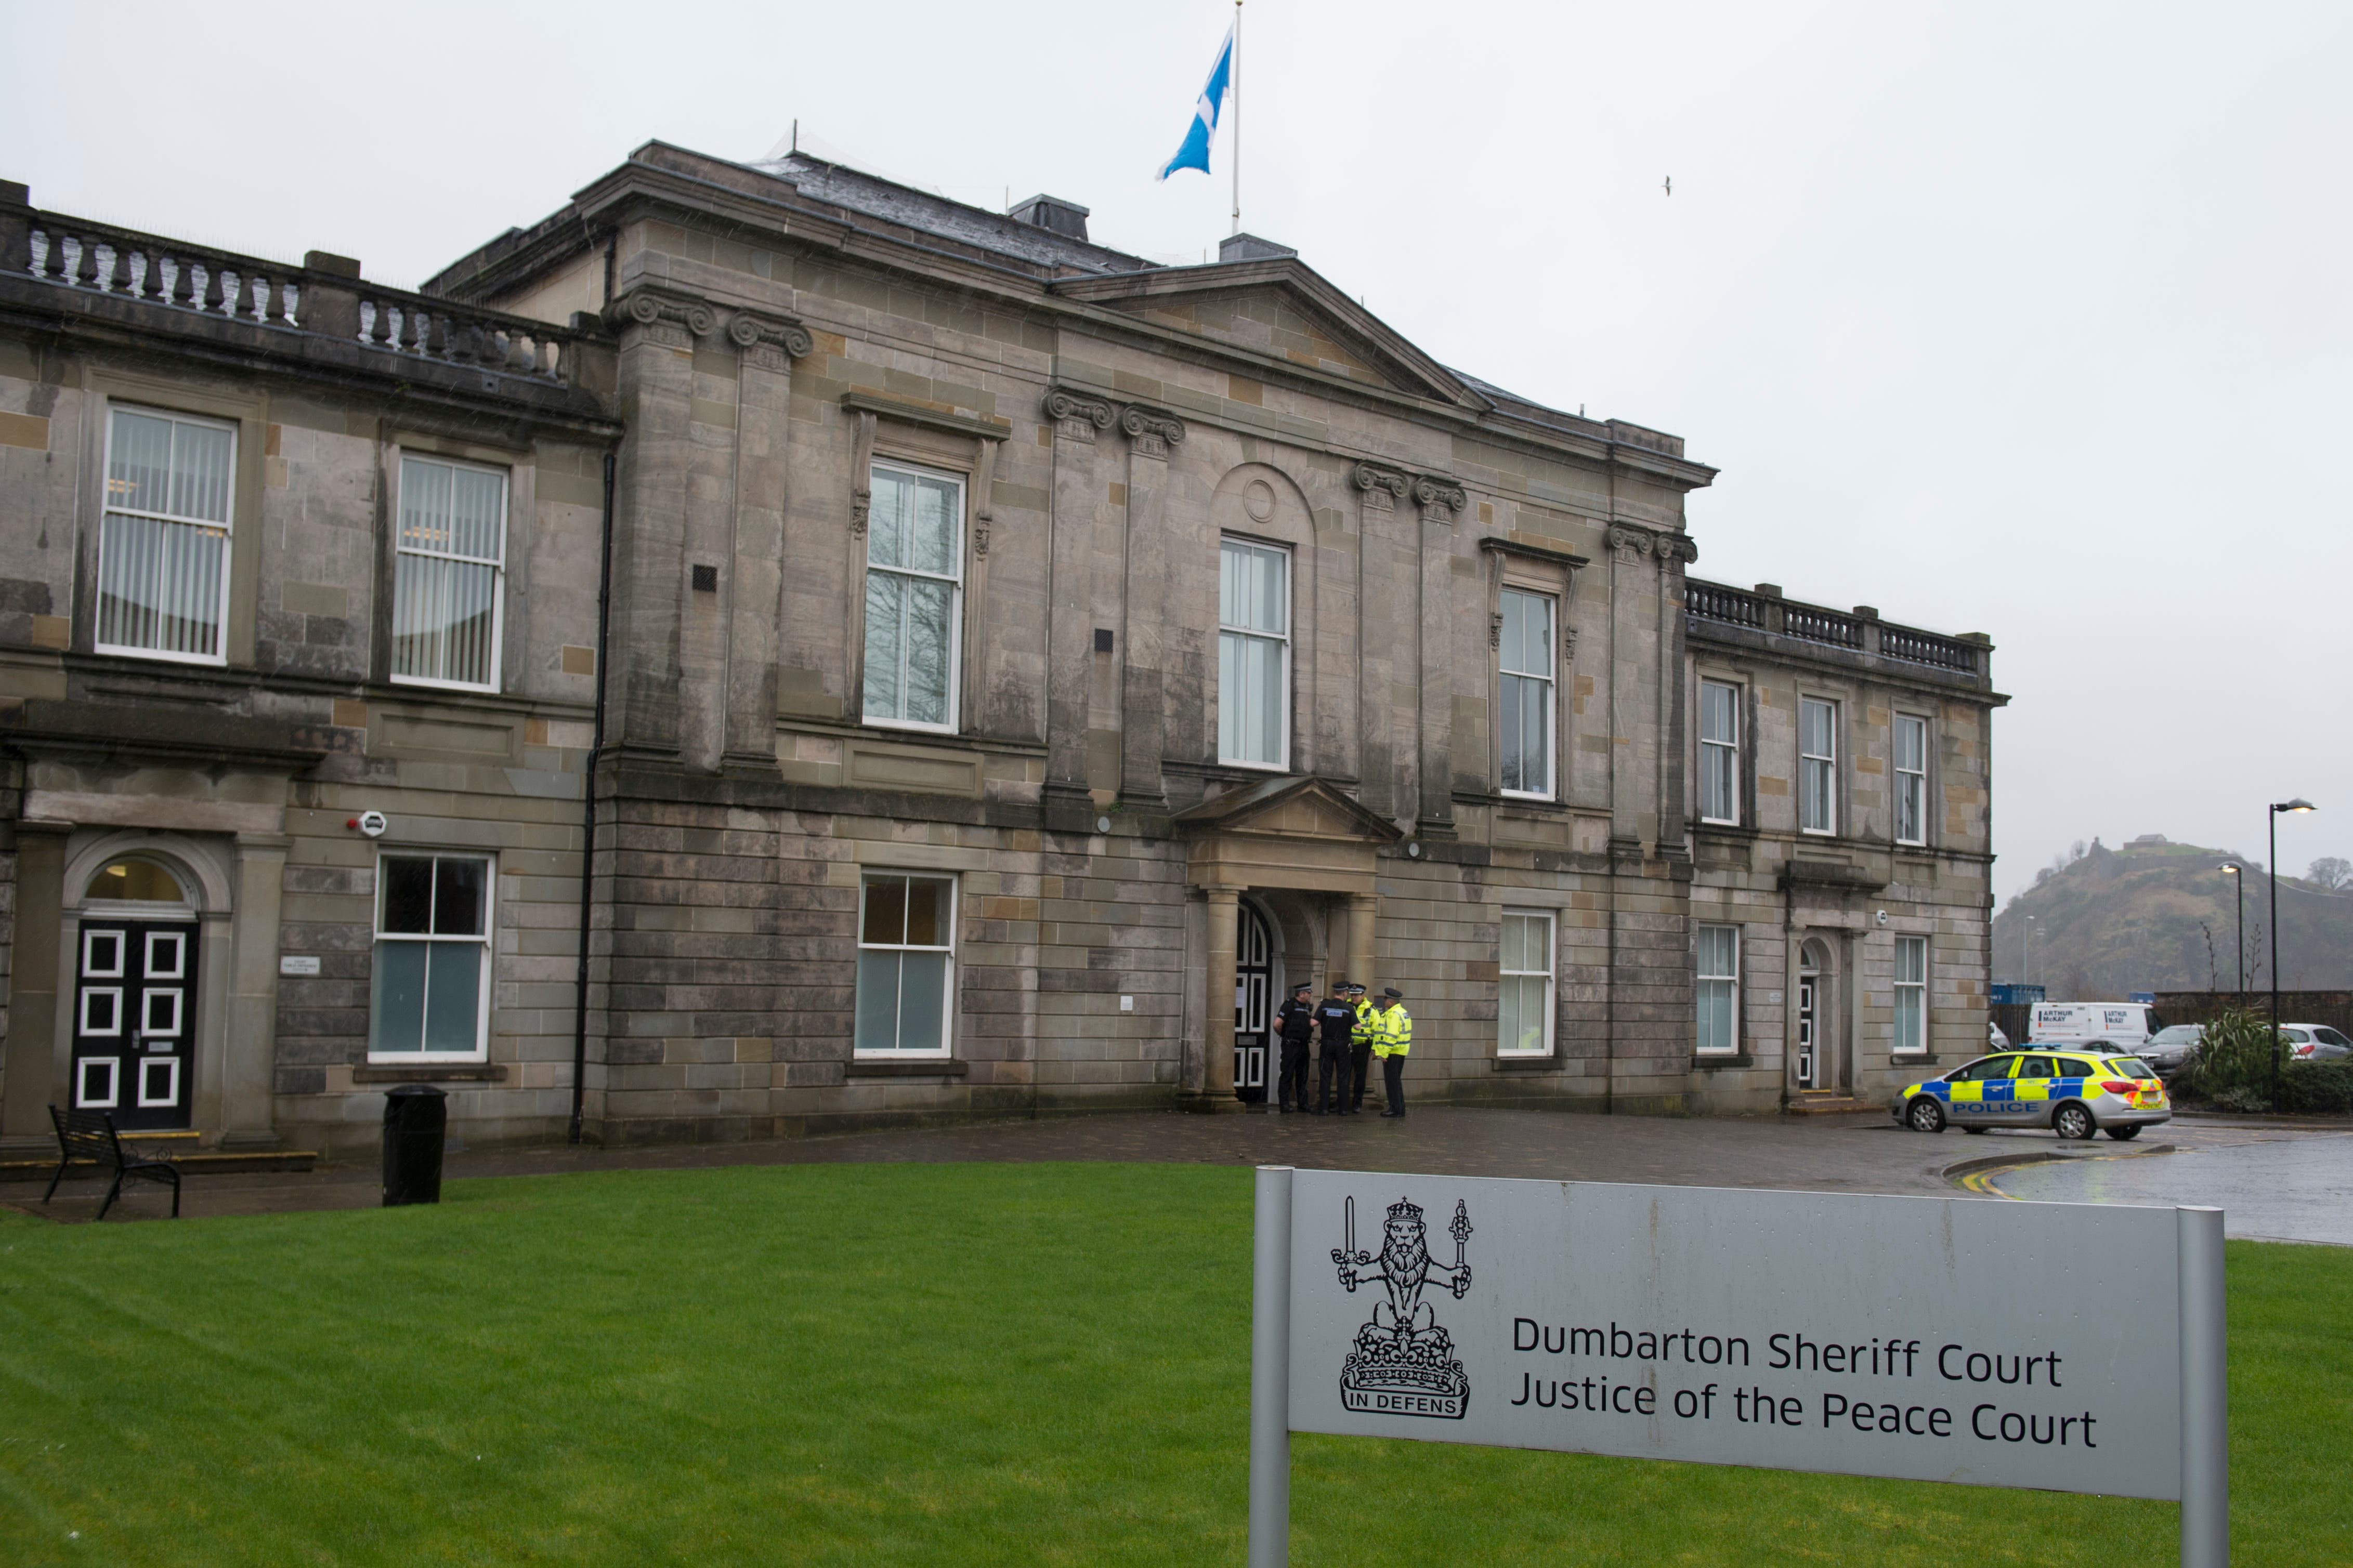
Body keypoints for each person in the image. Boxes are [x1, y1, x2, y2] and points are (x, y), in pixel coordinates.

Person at [1314, 980, 1358, 1115]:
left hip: (1327, 1044)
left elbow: (1314, 1022)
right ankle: (1343, 1109)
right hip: (1343, 1045)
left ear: (1335, 993)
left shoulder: (1325, 1006)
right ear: (1345, 993)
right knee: (1343, 1077)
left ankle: (1324, 1108)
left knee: (1325, 1076)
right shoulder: (1348, 1008)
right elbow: (1357, 1027)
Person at [1274, 982, 1316, 1112]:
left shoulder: (1308, 1007)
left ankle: (1303, 1103)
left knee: (1303, 1075)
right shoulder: (1289, 1005)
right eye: (1308, 993)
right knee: (1287, 1075)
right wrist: (1285, 1036)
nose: (1310, 996)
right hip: (1291, 1045)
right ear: (1302, 994)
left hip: (1303, 1045)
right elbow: (1277, 1024)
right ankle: (1284, 1104)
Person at [1374, 987, 1413, 1117]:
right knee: (1396, 1081)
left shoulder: (1394, 1015)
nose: (1384, 1001)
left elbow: (1391, 1036)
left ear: (1391, 1002)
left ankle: (1395, 1109)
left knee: (1392, 1082)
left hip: (1393, 1052)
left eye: (1386, 999)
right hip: (1399, 1051)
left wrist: (1384, 1054)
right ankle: (1399, 1108)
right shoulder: (1402, 1012)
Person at [1348, 982, 1377, 1111]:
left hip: (1362, 1047)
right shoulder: (1347, 1006)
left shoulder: (1371, 1010)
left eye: (1357, 995)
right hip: (1347, 1045)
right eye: (1352, 995)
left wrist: (1375, 1048)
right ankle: (1342, 1102)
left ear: (1363, 995)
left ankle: (1357, 1103)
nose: (1354, 997)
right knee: (1344, 1075)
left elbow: (1377, 1031)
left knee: (1360, 1076)